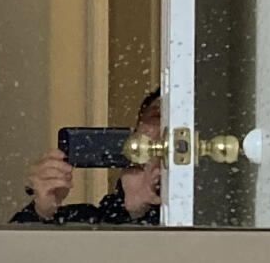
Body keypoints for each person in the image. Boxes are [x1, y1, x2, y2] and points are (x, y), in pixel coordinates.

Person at [15, 88, 165, 225]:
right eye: (157, 116)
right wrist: (42, 211)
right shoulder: (95, 220)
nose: (166, 129)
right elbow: (13, 251)